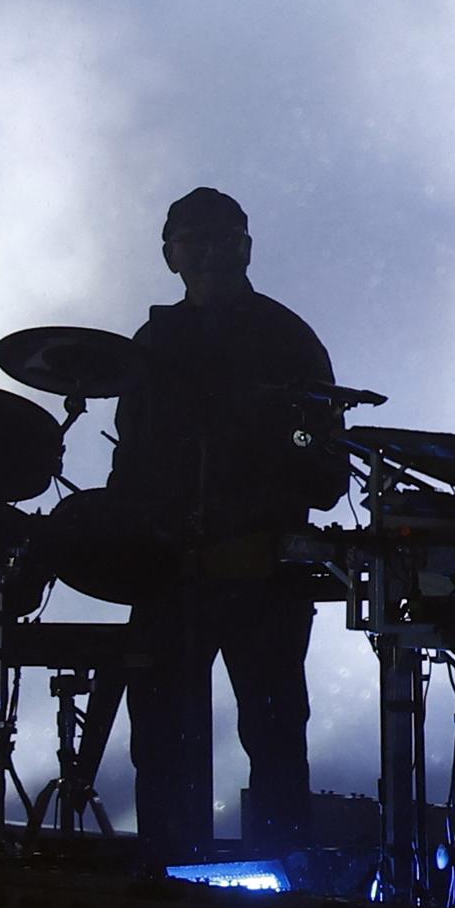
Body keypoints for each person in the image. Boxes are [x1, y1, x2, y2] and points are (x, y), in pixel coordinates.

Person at [109, 187, 348, 862]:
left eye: (224, 237)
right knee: (161, 737)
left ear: (246, 247)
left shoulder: (288, 341)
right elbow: (132, 460)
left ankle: (280, 882)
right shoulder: (151, 345)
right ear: (171, 254)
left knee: (272, 735)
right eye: (196, 238)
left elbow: (325, 472)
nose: (211, 251)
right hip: (169, 572)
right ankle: (169, 872)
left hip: (260, 572)